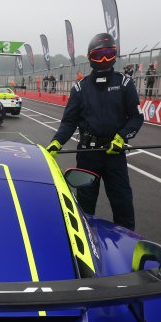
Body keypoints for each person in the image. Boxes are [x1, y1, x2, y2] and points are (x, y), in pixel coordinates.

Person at [45, 32, 143, 231]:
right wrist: (57, 142)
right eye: (99, 55)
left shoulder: (125, 83)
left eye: (109, 54)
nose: (104, 60)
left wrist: (121, 137)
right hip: (87, 154)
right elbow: (69, 122)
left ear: (115, 55)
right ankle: (85, 240)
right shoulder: (80, 88)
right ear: (90, 57)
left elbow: (136, 117)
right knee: (85, 203)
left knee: (122, 201)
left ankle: (127, 242)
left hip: (114, 153)